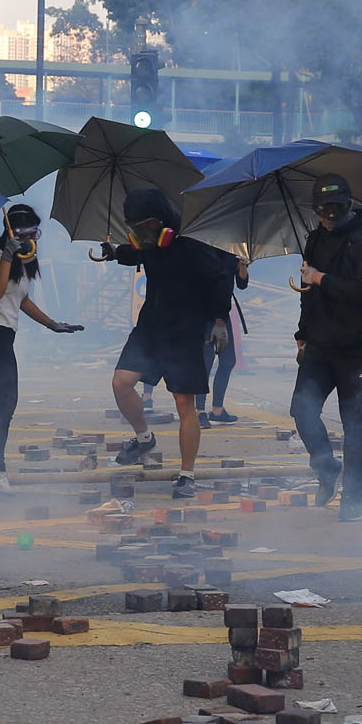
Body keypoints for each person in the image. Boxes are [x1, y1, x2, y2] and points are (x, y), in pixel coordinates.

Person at [99, 189, 234, 499]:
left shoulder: (192, 245)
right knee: (121, 383)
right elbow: (136, 254)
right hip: (150, 328)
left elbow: (220, 279)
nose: (141, 234)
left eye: (145, 226)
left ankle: (187, 475)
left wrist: (219, 320)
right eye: (135, 228)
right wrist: (115, 252)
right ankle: (144, 439)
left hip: (185, 333)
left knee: (185, 404)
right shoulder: (149, 244)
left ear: (162, 221)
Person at [292, 173, 362, 522]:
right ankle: (326, 468)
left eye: (336, 209)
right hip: (319, 345)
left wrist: (321, 278)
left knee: (354, 422)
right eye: (323, 211)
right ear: (315, 210)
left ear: (349, 205)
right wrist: (302, 333)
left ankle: (352, 497)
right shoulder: (314, 239)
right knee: (302, 411)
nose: (330, 217)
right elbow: (308, 294)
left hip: (357, 348)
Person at [0, 205, 85, 493]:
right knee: (3, 403)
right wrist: (7, 255)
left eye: (36, 232)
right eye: (29, 232)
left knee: (6, 403)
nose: (33, 237)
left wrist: (52, 324)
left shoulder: (22, 261)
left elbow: (21, 300)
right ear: (14, 232)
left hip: (5, 335)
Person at [196, 257, 250, 427]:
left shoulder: (232, 253)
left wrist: (242, 266)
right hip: (203, 314)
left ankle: (217, 410)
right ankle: (199, 411)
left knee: (228, 360)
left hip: (222, 316)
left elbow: (242, 284)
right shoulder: (203, 251)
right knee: (205, 361)